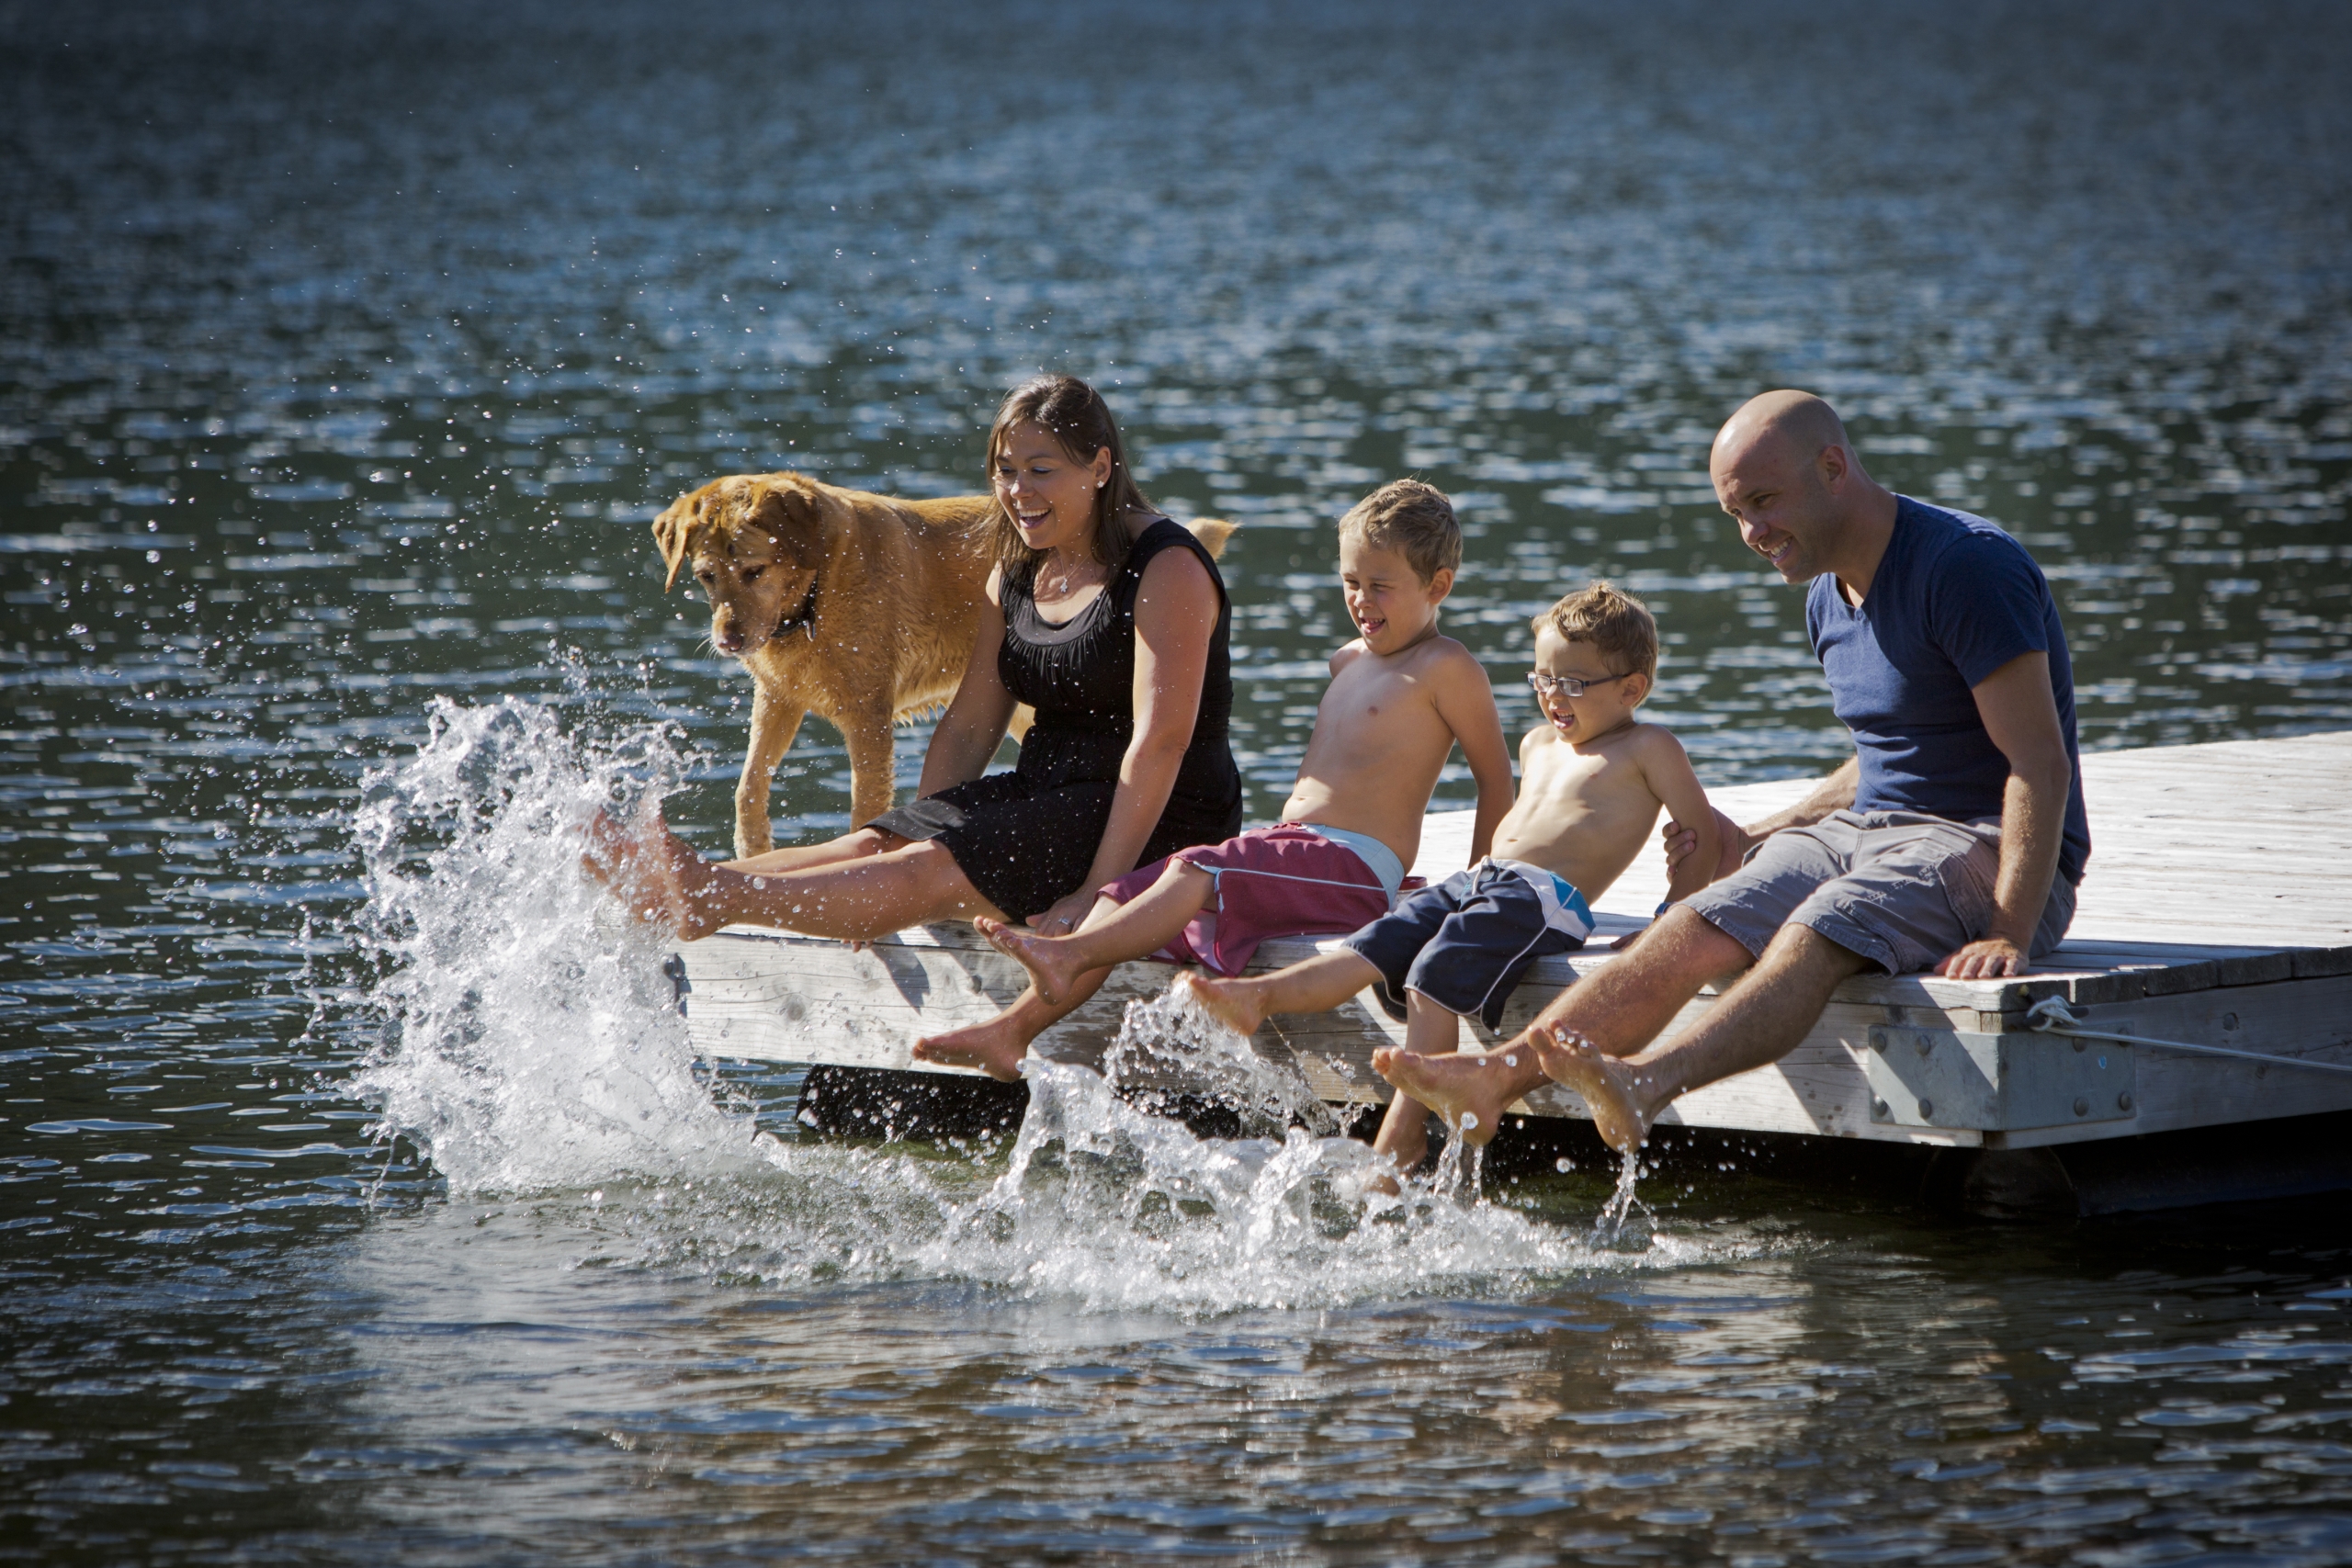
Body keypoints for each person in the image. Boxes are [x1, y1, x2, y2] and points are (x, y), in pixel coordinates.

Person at [1374, 389, 2089, 1155]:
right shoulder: (1826, 596)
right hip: (1872, 832)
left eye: (1765, 501)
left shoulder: (1966, 568)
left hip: (1989, 850)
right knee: (1697, 918)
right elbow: (1892, 749)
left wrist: (2012, 927)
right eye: (1735, 512)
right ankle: (1495, 1075)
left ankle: (1645, 1084)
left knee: (1820, 925)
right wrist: (1757, 834)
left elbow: (2036, 762)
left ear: (1833, 466)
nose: (1752, 531)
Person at [583, 373, 1243, 954]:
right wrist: (912, 830)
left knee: (931, 868)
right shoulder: (1015, 568)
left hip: (1158, 818)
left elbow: (1160, 746)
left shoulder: (1168, 568)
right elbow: (966, 727)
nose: (1017, 491)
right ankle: (696, 878)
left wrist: (1103, 889)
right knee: (875, 843)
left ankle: (709, 897)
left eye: (1041, 470)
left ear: (1100, 468)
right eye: (1005, 471)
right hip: (1053, 792)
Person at [914, 480, 1515, 1081]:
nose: (1361, 599)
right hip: (1298, 853)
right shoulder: (1348, 660)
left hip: (1353, 866)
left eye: (1380, 585)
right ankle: (1011, 1030)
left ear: (1438, 586)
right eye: (1350, 581)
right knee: (1124, 894)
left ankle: (1067, 955)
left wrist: (1473, 895)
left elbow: (1494, 781)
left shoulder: (1448, 668)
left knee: (1190, 871)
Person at [1187, 581, 1720, 1178]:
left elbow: (1703, 833)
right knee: (1377, 941)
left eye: (1572, 682)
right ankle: (1259, 997)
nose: (1552, 697)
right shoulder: (1541, 741)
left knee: (1431, 974)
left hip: (1545, 899)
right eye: (1542, 678)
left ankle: (1402, 1139)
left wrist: (1668, 920)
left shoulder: (1649, 747)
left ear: (1632, 688)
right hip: (1484, 879)